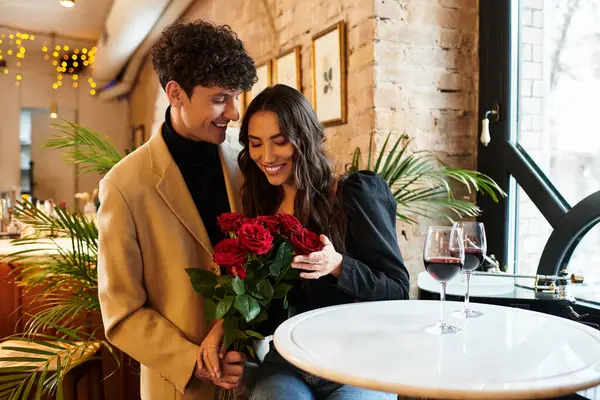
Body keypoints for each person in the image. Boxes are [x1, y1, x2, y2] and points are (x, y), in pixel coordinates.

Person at [97, 21, 257, 399]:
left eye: (236, 97)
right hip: (181, 388)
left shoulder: (246, 165)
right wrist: (197, 362)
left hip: (256, 378)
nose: (234, 113)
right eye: (220, 98)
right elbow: (122, 313)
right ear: (176, 93)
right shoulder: (123, 185)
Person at [238, 84, 410, 399]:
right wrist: (230, 337)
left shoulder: (353, 194)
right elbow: (264, 311)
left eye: (280, 142)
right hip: (291, 361)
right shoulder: (260, 210)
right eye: (255, 143)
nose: (267, 156)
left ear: (305, 138)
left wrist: (338, 265)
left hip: (360, 363)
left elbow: (398, 290)